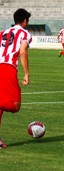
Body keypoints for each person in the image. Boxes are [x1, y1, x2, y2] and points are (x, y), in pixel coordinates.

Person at [0, 8, 32, 149]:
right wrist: (26, 73)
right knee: (15, 105)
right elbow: (23, 51)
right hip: (8, 68)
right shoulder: (25, 34)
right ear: (24, 21)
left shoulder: (3, 32)